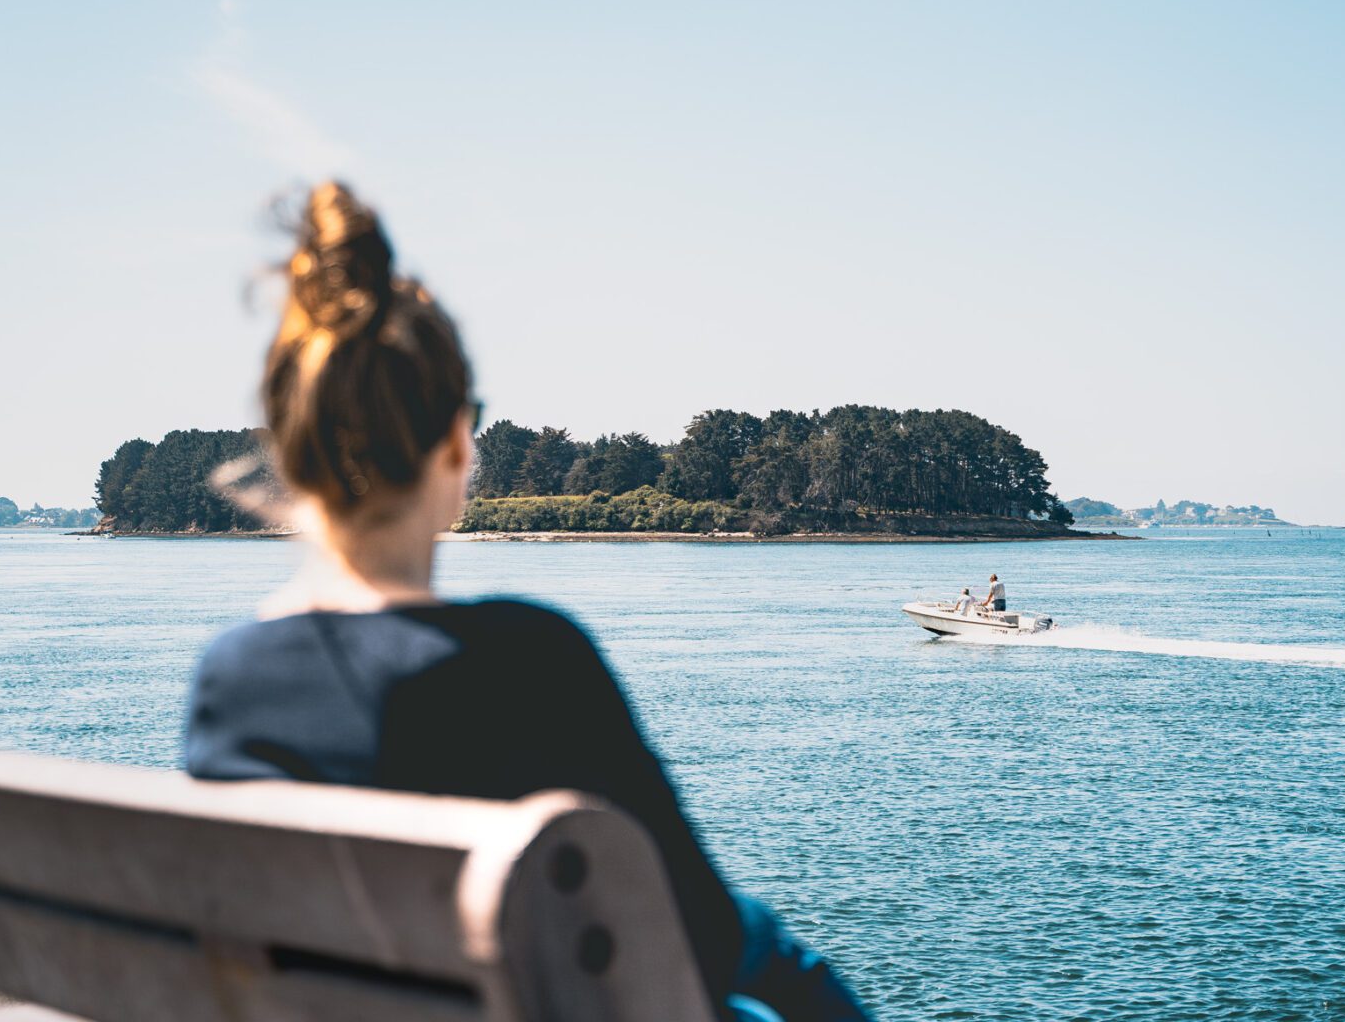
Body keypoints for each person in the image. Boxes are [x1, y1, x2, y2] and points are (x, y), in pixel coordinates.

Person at [183, 183, 870, 1022]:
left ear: (291, 448)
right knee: (774, 960)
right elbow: (700, 934)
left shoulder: (231, 679)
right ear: (456, 447)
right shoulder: (527, 660)